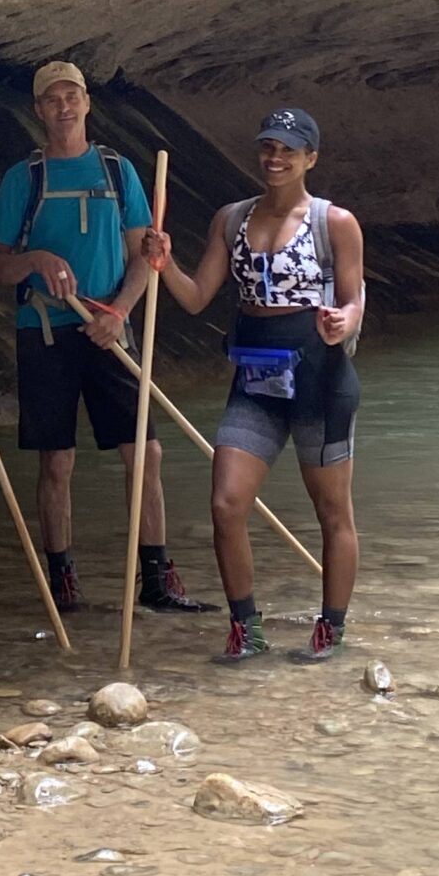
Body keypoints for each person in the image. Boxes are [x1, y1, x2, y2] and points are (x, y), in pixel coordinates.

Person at [0, 60, 207, 615]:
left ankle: (155, 577)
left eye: (73, 96)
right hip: (46, 332)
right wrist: (34, 258)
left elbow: (142, 258)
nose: (64, 106)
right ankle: (62, 578)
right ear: (38, 110)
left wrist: (120, 313)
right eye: (53, 98)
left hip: (111, 329)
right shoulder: (23, 179)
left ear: (87, 103)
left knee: (146, 453)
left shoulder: (117, 170)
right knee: (56, 462)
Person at [142, 104, 363, 662]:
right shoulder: (231, 219)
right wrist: (164, 264)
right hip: (256, 376)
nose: (275, 158)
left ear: (310, 158)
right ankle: (247, 628)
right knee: (226, 503)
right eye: (268, 147)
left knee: (333, 512)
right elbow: (195, 299)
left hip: (319, 376)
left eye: (289, 150)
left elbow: (355, 296)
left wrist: (346, 321)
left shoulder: (335, 222)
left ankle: (330, 629)